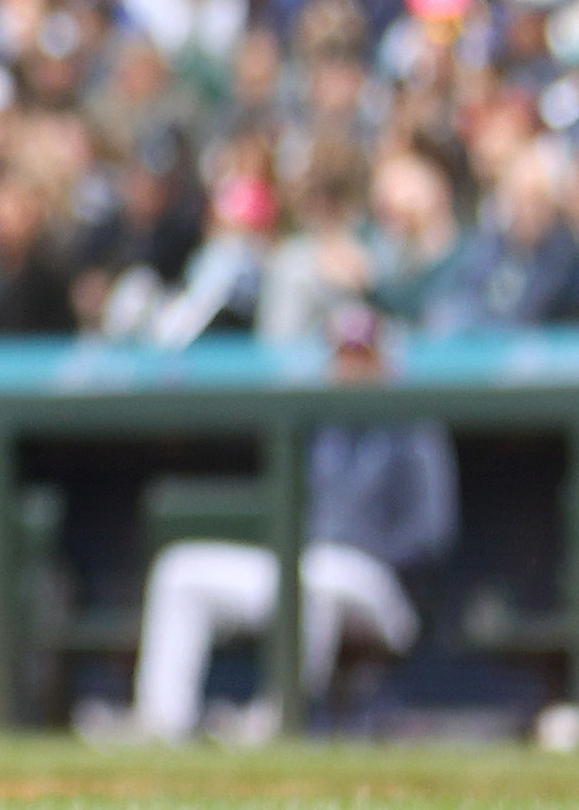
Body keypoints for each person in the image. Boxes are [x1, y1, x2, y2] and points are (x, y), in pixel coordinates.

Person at [88, 305, 459, 743]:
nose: (352, 369)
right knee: (180, 569)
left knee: (318, 575)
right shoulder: (317, 423)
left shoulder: (414, 426)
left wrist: (369, 556)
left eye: (364, 357)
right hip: (304, 567)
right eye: (344, 357)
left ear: (386, 362)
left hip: (380, 587)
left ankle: (276, 721)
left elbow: (431, 533)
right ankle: (162, 722)